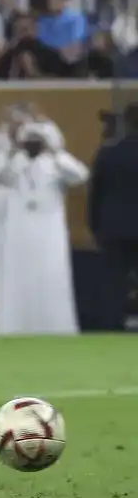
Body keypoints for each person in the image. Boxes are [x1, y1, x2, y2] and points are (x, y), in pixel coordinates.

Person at [0, 121, 88, 334]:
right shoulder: (15, 162)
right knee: (20, 279)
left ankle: (55, 326)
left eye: (37, 139)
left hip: (49, 232)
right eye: (28, 139)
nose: (32, 143)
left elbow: (79, 175)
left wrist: (57, 153)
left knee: (51, 277)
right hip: (19, 232)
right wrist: (10, 153)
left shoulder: (55, 164)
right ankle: (18, 326)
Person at [0, 104, 64, 332]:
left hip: (31, 218)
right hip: (1, 220)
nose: (19, 126)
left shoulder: (38, 147)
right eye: (14, 121)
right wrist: (8, 142)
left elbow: (57, 149)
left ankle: (42, 321)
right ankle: (8, 324)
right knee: (4, 275)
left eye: (23, 122)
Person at [88, 103, 138, 330]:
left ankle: (111, 327)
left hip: (113, 229)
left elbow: (95, 195)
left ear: (125, 124)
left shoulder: (107, 153)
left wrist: (95, 228)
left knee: (113, 283)